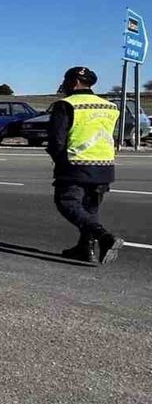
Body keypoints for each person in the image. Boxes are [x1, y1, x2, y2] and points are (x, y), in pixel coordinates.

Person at [48, 66, 124, 265]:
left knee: (67, 202)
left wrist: (60, 163)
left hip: (76, 165)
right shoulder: (109, 106)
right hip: (105, 166)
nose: (63, 85)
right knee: (90, 209)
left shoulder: (66, 104)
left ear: (73, 82)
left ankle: (104, 237)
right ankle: (85, 248)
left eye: (65, 81)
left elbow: (56, 141)